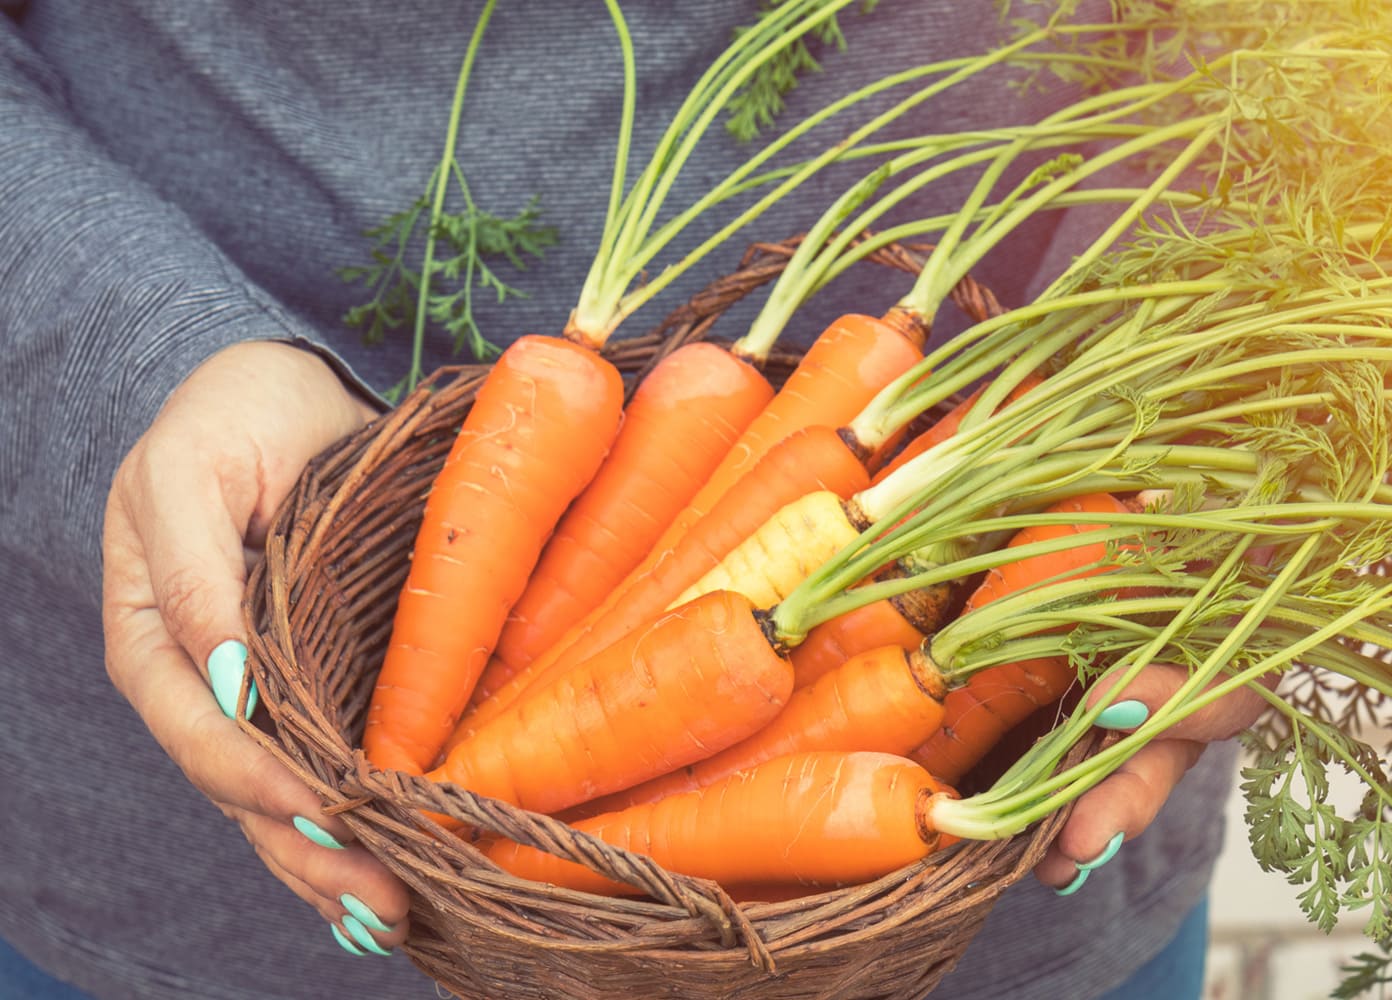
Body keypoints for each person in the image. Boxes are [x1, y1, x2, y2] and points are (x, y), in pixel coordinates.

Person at [0, 2, 1267, 996]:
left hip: (990, 869)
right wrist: (132, 362)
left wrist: (1223, 414)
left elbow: (1335, 72)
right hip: (173, 864)